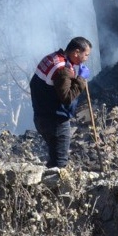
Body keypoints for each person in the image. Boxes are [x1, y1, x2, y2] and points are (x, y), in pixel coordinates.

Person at [30, 37, 92, 168]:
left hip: (41, 116)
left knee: (54, 159)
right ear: (76, 52)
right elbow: (67, 97)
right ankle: (56, 188)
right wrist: (81, 79)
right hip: (56, 121)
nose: (86, 58)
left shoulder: (51, 58)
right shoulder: (62, 69)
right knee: (60, 163)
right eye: (86, 55)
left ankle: (47, 186)